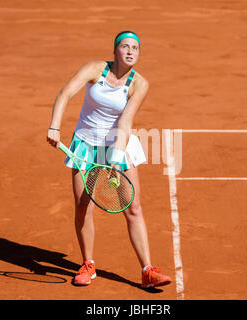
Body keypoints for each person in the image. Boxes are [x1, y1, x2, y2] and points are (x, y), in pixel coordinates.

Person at [47, 31, 171, 289]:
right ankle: (88, 264)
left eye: (135, 48)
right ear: (115, 51)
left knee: (133, 208)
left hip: (118, 146)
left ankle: (147, 270)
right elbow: (65, 94)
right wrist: (55, 127)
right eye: (124, 47)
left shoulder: (140, 84)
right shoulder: (94, 69)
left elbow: (125, 123)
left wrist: (115, 160)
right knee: (83, 207)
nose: (129, 52)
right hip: (85, 146)